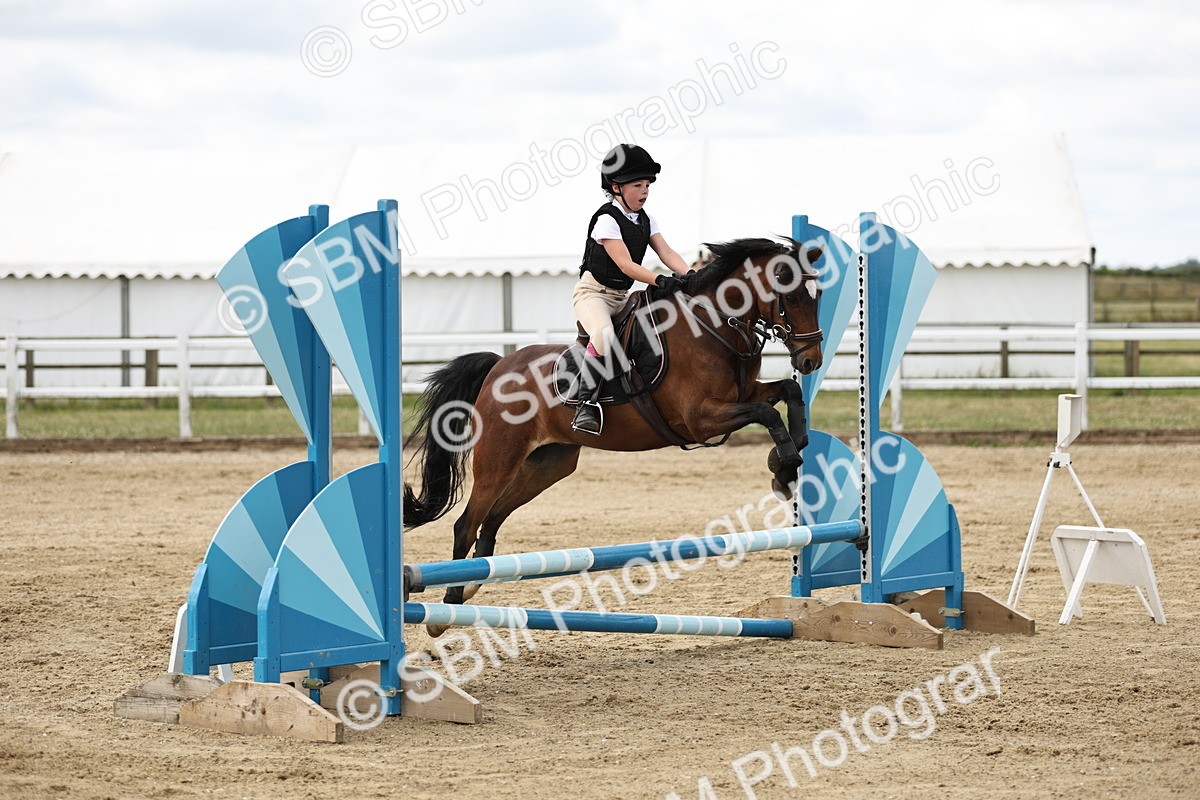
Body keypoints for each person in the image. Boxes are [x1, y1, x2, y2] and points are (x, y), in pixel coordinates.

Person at [571, 144, 692, 435]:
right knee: (604, 333)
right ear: (616, 187)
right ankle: (584, 403)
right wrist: (659, 280)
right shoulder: (606, 220)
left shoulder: (646, 219)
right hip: (593, 295)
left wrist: (691, 276)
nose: (645, 191)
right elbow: (626, 265)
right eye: (637, 185)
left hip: (622, 297)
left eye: (647, 185)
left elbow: (666, 252)